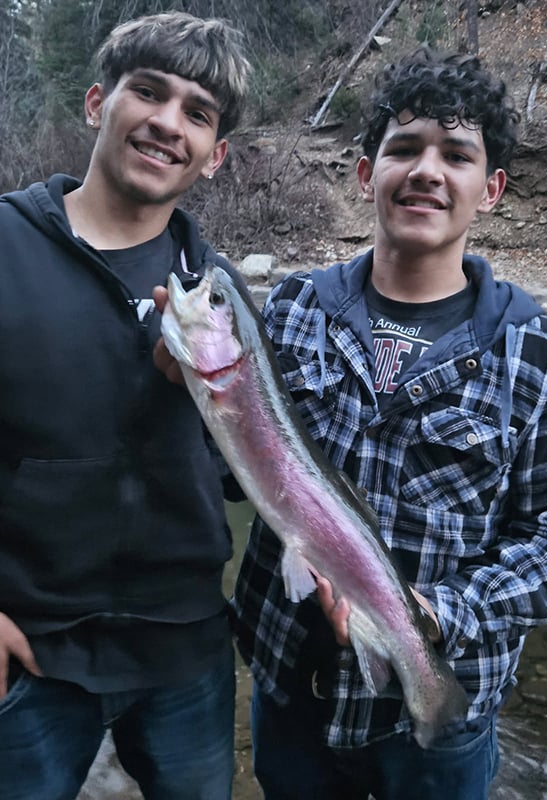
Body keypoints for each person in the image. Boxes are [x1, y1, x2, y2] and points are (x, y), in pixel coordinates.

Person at [230, 48, 547, 799]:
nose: (427, 170)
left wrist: (440, 616)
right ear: (366, 175)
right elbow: (247, 471)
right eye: (403, 148)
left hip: (440, 720)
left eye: (456, 155)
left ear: (489, 190)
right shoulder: (296, 309)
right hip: (288, 690)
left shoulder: (546, 358)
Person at [0, 12, 249, 800]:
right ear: (97, 101)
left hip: (187, 655)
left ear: (215, 157)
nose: (169, 123)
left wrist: (210, 406)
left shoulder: (221, 296)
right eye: (149, 92)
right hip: (28, 656)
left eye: (198, 114)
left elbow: (247, 480)